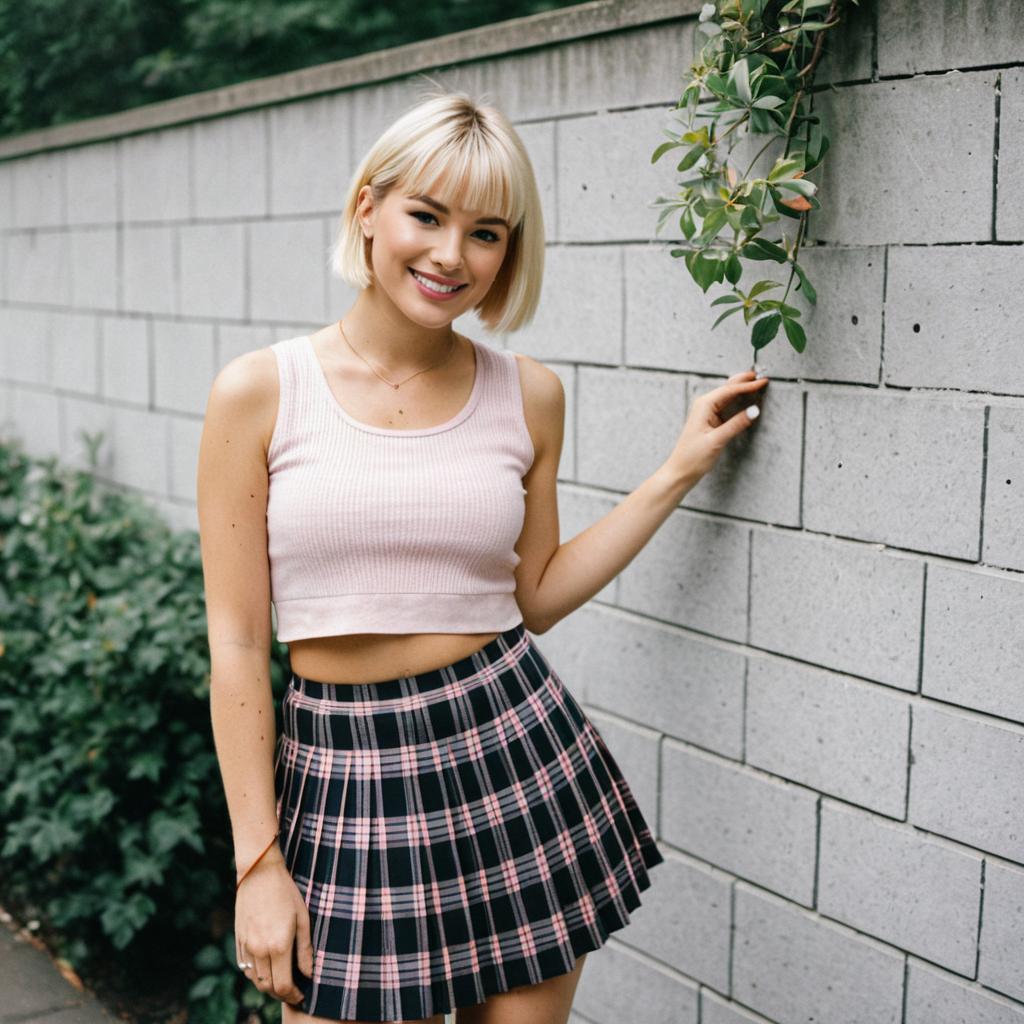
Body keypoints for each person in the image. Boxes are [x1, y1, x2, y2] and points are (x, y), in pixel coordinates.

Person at [196, 85, 769, 1024]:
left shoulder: (529, 394)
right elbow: (234, 643)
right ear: (367, 208)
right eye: (425, 215)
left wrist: (674, 470)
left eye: (487, 232)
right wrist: (257, 861)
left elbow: (534, 595)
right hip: (347, 771)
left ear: (510, 250)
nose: (450, 256)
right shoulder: (259, 393)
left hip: (513, 745)